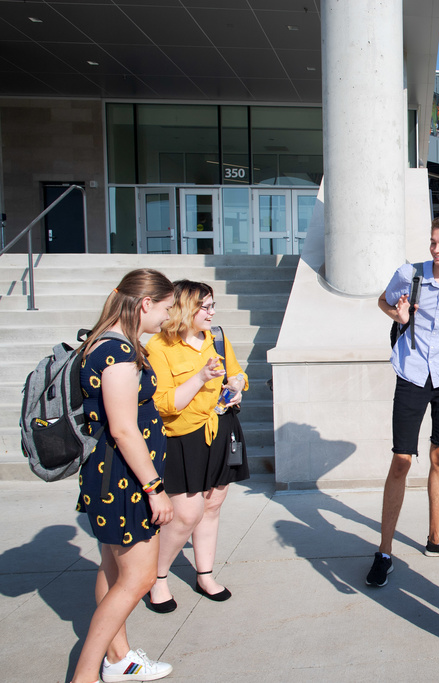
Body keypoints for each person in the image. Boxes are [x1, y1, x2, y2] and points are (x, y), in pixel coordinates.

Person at [366, 215, 439, 587]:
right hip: (412, 372)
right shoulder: (409, 274)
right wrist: (398, 314)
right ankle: (384, 552)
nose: (436, 249)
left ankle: (436, 540)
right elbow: (384, 302)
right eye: (433, 242)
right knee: (402, 459)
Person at [71, 269, 176, 683]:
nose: (167, 318)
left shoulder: (102, 343)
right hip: (124, 481)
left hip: (110, 475)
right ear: (145, 304)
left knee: (113, 572)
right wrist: (155, 489)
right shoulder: (118, 352)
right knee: (139, 578)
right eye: (166, 309)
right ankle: (85, 675)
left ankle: (120, 661)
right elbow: (123, 428)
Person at [145, 280, 250, 612]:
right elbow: (164, 404)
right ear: (184, 308)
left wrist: (236, 384)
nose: (212, 312)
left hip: (220, 428)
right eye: (205, 306)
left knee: (213, 505)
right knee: (186, 514)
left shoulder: (215, 338)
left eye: (212, 305)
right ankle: (156, 580)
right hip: (181, 438)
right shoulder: (158, 347)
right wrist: (201, 378)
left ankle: (204, 574)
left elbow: (238, 374)